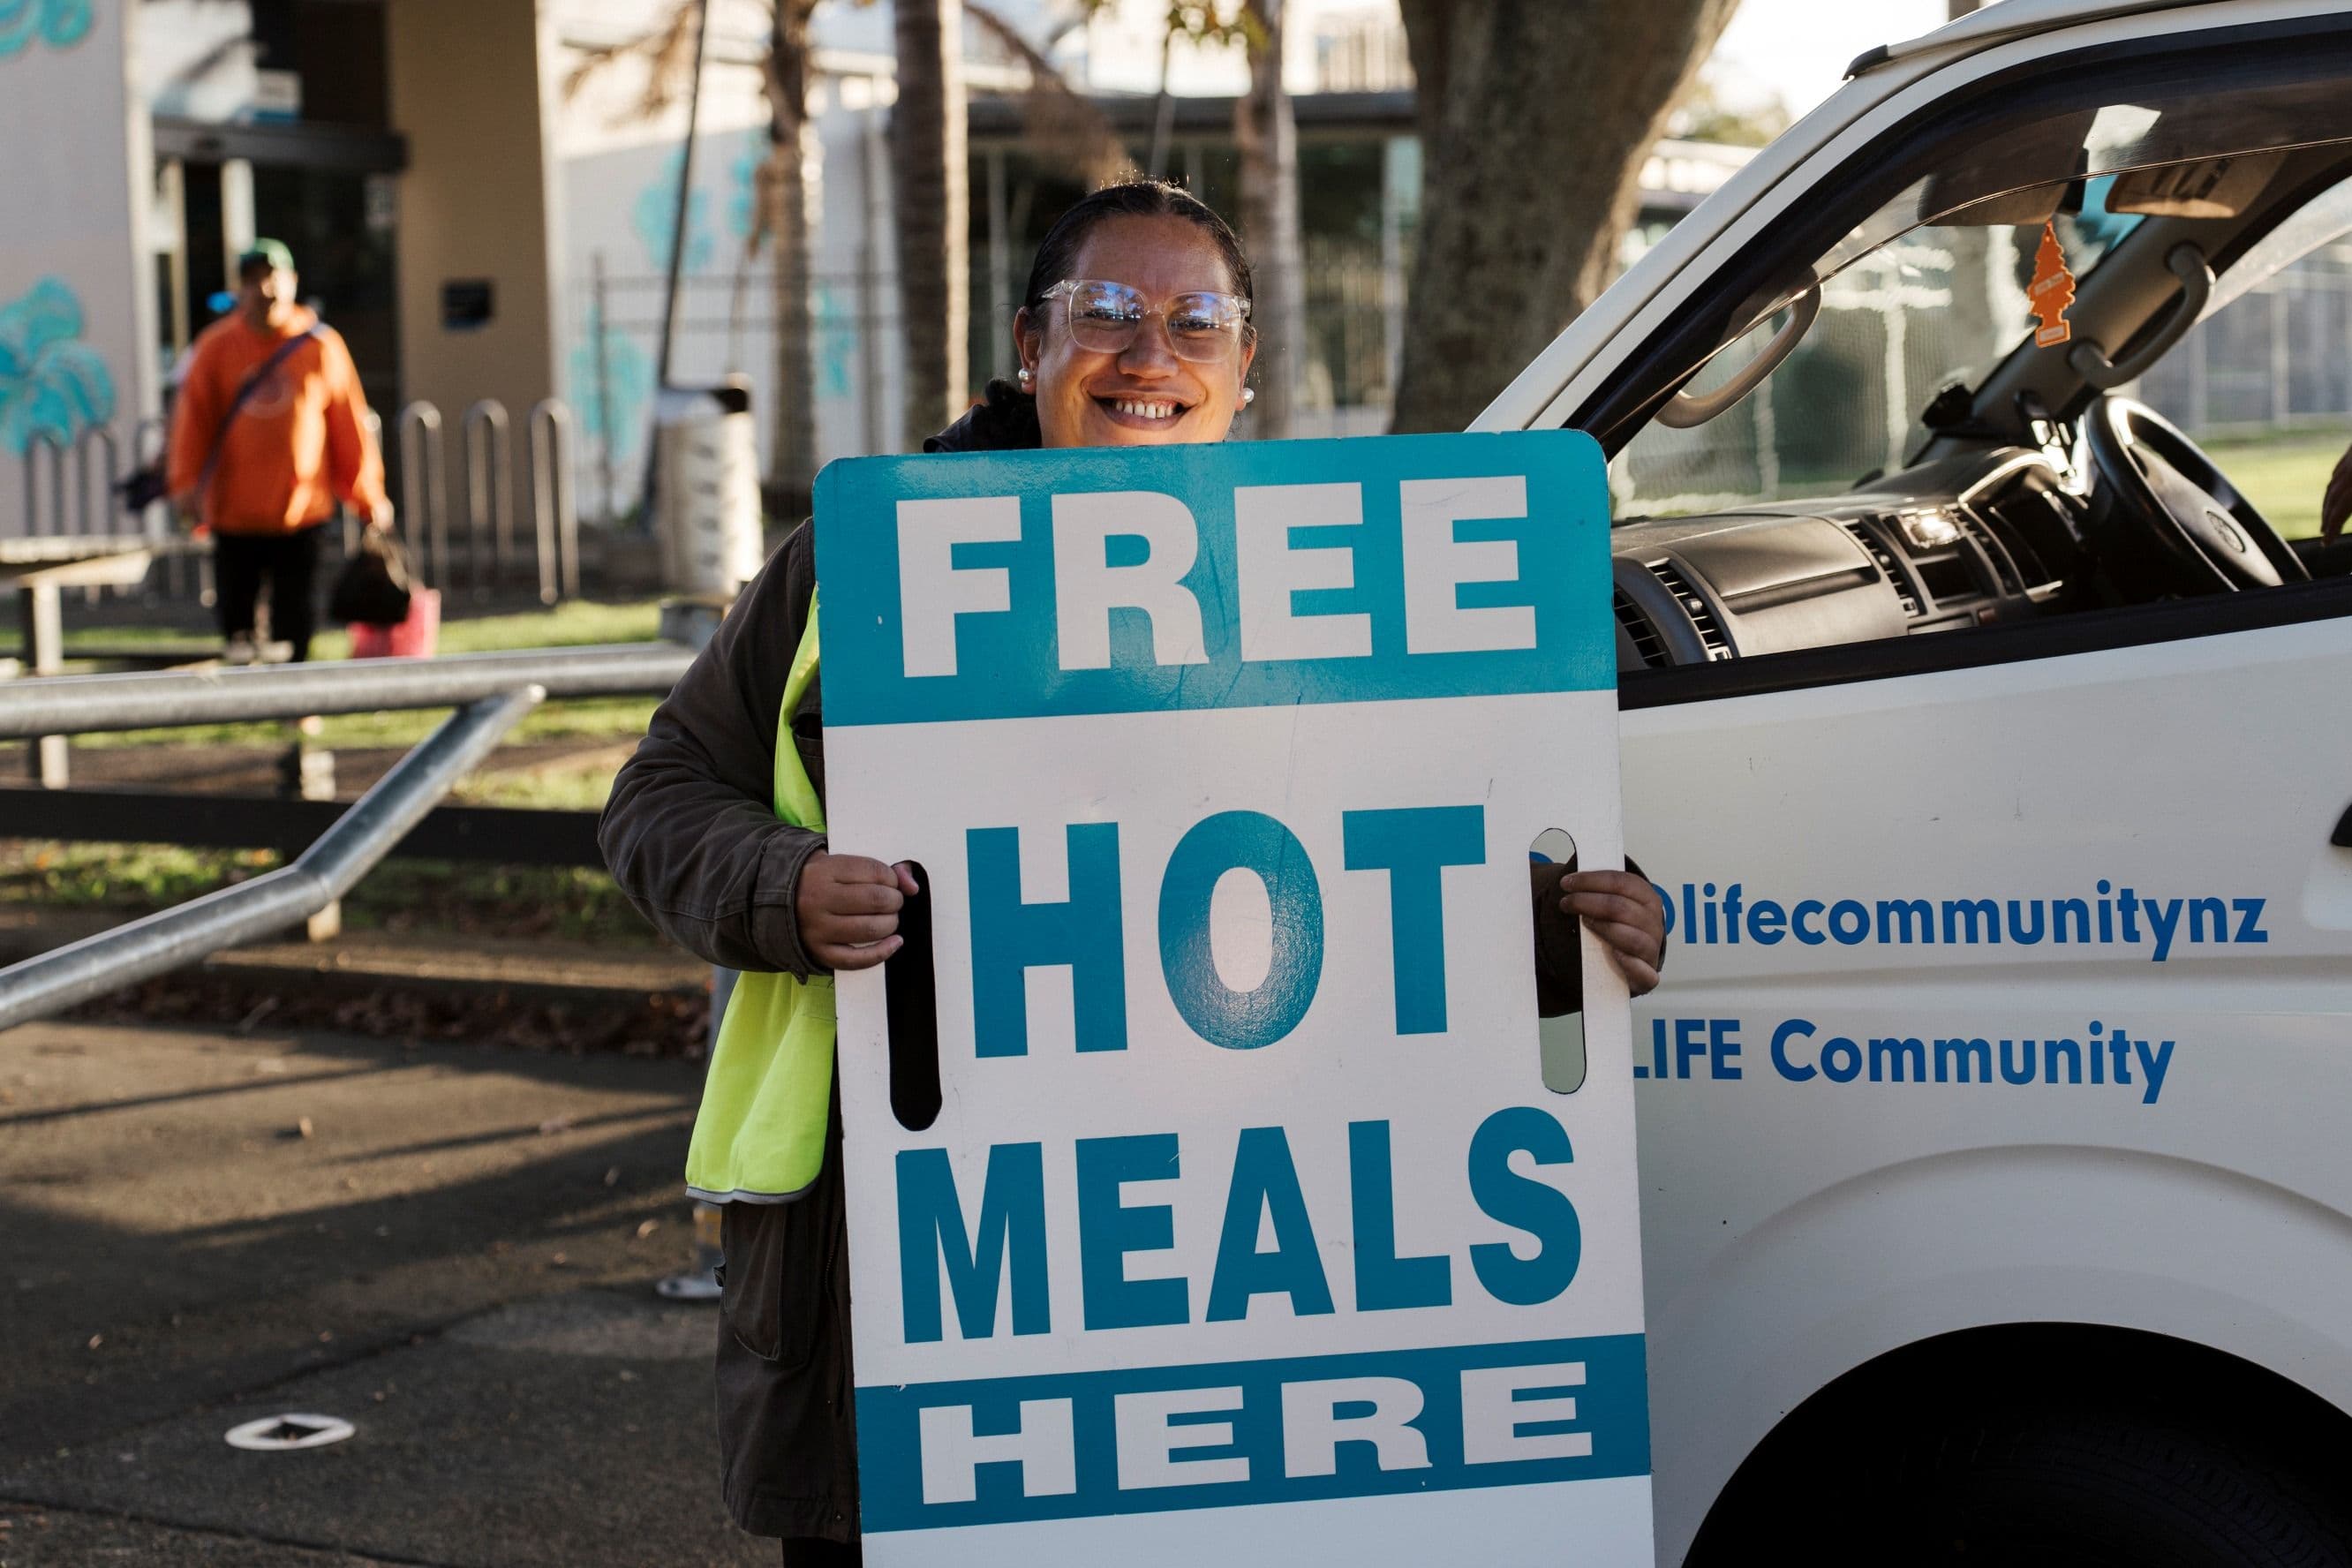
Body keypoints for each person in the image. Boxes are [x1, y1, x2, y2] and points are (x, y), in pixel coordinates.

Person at [598, 179, 1669, 1564]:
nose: (1148, 354)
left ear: (1245, 367)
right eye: (1105, 311)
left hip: (1264, 1279)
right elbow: (658, 798)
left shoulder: (1351, 576)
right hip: (912, 1284)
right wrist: (784, 887)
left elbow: (1436, 838)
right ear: (1030, 346)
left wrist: (1584, 925)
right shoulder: (862, 566)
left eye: (1195, 321)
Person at [169, 238, 390, 663]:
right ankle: (245, 693)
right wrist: (185, 484)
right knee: (237, 627)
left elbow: (348, 424)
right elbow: (192, 423)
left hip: (300, 514)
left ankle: (296, 693)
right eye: (252, 280)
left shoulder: (320, 346)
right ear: (240, 288)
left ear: (293, 282)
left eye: (272, 277)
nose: (264, 289)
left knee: (296, 623)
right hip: (234, 515)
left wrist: (368, 496)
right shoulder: (215, 347)